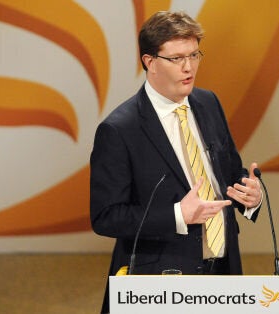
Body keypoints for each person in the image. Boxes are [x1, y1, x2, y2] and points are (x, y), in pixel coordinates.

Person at [89, 10, 263, 313]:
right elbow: (106, 217)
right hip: (160, 279)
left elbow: (230, 172)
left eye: (194, 55)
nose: (189, 67)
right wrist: (177, 215)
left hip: (223, 271)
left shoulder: (208, 103)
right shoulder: (119, 130)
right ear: (150, 62)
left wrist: (250, 196)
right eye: (177, 58)